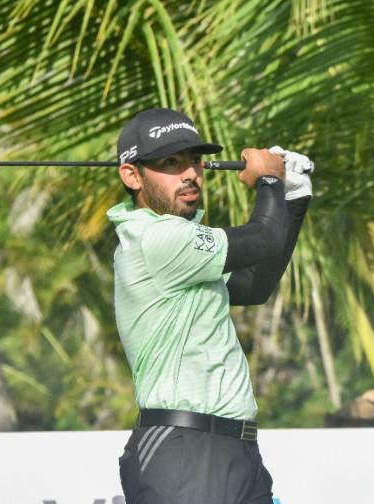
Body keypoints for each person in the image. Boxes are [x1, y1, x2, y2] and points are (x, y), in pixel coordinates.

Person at [107, 108, 313, 504]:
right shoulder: (154, 238)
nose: (190, 174)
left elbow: (254, 286)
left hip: (237, 449)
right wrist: (269, 179)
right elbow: (264, 238)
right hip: (184, 450)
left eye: (195, 161)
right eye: (170, 163)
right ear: (132, 175)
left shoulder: (185, 243)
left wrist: (294, 198)